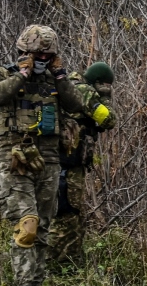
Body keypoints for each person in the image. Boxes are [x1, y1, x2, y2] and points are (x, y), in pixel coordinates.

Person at [0, 25, 87, 286]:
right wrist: (23, 74)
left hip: (49, 159)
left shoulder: (55, 81)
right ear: (23, 52)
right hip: (15, 158)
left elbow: (77, 104)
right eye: (36, 54)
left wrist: (61, 75)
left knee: (42, 225)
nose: (42, 59)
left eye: (48, 55)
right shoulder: (3, 75)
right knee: (26, 225)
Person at [48, 62, 118, 265]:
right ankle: (60, 265)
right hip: (67, 164)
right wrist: (105, 97)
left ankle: (71, 261)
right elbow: (109, 120)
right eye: (105, 85)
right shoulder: (84, 91)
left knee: (72, 213)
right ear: (98, 82)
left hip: (65, 163)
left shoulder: (72, 84)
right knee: (66, 214)